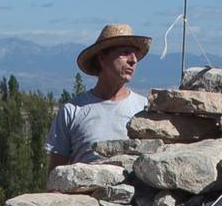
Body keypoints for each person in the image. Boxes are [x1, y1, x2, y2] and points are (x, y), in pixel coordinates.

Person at [47, 23, 150, 166]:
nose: (133, 60)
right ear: (102, 58)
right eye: (125, 52)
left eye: (135, 54)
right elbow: (56, 175)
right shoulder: (72, 111)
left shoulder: (145, 109)